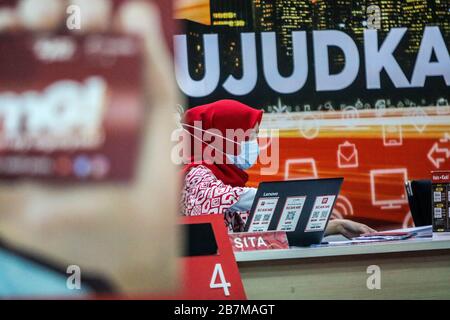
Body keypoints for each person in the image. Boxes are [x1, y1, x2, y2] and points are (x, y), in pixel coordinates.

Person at [180, 99, 376, 238]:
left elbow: (267, 233)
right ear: (224, 138)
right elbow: (225, 197)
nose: (255, 144)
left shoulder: (229, 178)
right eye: (249, 136)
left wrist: (335, 226)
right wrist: (289, 199)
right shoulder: (196, 174)